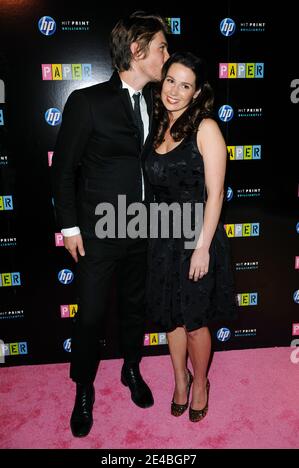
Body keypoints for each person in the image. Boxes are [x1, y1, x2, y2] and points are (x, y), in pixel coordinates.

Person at [51, 11, 169, 437]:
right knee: (91, 316)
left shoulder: (159, 103)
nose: (166, 56)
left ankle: (131, 370)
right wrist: (69, 228)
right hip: (98, 235)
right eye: (160, 47)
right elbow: (62, 171)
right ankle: (84, 388)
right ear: (137, 51)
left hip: (143, 229)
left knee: (134, 311)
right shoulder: (88, 102)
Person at [145, 52, 237, 422]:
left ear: (197, 93)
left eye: (186, 85)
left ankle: (200, 383)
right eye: (171, 81)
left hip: (197, 239)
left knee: (196, 322)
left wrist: (202, 249)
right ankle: (179, 381)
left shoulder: (206, 128)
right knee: (172, 319)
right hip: (162, 239)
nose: (175, 91)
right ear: (162, 80)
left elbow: (215, 194)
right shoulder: (157, 126)